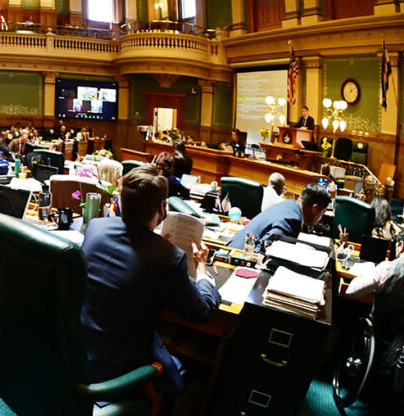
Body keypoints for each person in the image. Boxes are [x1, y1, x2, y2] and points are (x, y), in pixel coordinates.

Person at [80, 165, 220, 397]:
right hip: (120, 372)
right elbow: (202, 312)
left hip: (76, 355)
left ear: (122, 202)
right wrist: (202, 268)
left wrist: (152, 240)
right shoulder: (169, 257)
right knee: (188, 368)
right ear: (162, 207)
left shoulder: (96, 227)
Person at [346, 229, 404, 318]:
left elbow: (352, 291)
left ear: (401, 245)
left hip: (382, 330)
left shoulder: (386, 268)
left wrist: (368, 272)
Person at [227, 182, 332, 253]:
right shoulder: (293, 220)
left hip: (234, 247)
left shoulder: (289, 205)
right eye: (322, 213)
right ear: (315, 208)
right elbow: (265, 250)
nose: (320, 218)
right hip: (238, 257)